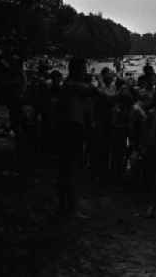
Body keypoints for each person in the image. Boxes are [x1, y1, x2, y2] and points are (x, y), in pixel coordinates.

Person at [56, 57, 98, 217]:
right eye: (84, 69)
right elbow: (94, 91)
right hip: (71, 131)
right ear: (77, 70)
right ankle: (70, 208)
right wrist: (96, 80)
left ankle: (65, 206)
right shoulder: (72, 85)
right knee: (70, 170)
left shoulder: (69, 85)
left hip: (69, 130)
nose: (86, 71)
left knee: (66, 169)